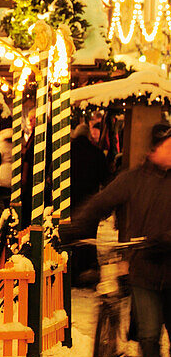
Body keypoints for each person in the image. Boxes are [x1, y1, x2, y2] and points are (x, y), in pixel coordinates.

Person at [61, 122, 171, 357]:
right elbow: (99, 203)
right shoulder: (131, 180)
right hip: (144, 272)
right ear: (153, 149)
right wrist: (76, 227)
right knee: (148, 337)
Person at [67, 122, 111, 285]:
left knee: (69, 235)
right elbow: (105, 178)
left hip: (69, 200)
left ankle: (70, 269)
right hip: (89, 201)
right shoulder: (96, 153)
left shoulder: (66, 152)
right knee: (88, 237)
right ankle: (85, 269)